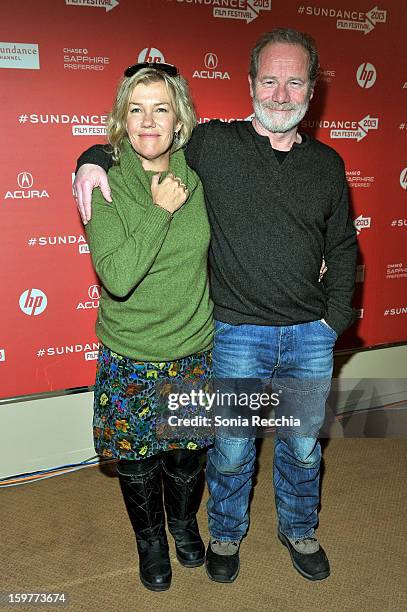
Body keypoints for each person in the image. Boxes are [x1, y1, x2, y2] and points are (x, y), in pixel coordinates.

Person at [74, 28, 357, 583]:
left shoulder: (327, 163)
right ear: (251, 84)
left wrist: (334, 320)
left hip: (308, 335)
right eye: (269, 80)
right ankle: (224, 534)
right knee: (229, 451)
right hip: (235, 334)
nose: (280, 94)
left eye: (294, 82)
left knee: (302, 449)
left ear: (310, 92)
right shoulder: (212, 145)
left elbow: (344, 245)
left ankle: (300, 528)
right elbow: (141, 138)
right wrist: (88, 160)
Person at [82, 62, 214, 592]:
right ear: (121, 118)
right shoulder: (102, 183)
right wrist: (159, 211)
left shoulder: (202, 167)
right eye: (135, 109)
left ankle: (183, 523)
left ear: (179, 118)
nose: (148, 121)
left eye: (161, 108)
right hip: (131, 352)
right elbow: (116, 276)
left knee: (187, 453)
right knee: (136, 461)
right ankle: (151, 540)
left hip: (194, 347)